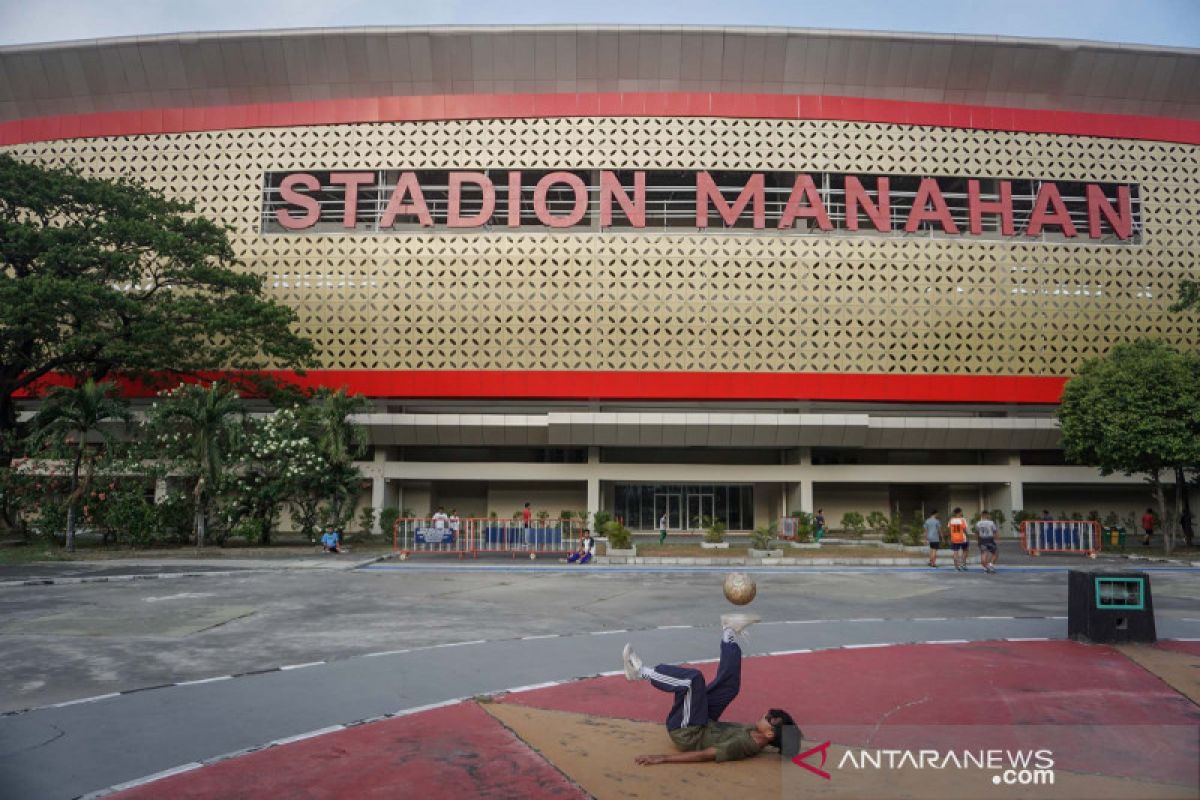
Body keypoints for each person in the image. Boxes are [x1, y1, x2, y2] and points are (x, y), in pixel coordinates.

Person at [622, 615, 799, 765]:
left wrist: (664, 758)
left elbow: (706, 754)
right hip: (705, 723)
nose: (766, 714)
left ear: (769, 733)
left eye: (769, 718)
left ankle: (640, 672)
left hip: (687, 733)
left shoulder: (743, 744)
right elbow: (787, 738)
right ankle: (728, 632)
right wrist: (790, 741)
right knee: (730, 687)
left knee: (693, 680)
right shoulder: (759, 733)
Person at [947, 507, 969, 571]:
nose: (962, 513)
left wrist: (950, 537)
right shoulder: (962, 520)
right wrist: (967, 536)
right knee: (965, 550)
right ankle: (963, 564)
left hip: (954, 538)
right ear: (959, 512)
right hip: (962, 538)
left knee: (955, 552)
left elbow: (949, 529)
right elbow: (964, 529)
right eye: (961, 512)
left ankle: (956, 567)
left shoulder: (951, 520)